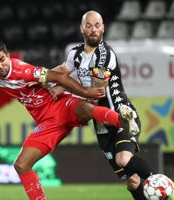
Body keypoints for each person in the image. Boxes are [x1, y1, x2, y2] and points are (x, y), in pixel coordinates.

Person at [0, 40, 138, 200]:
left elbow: (60, 77)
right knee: (21, 165)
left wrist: (86, 91)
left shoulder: (24, 71)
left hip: (61, 105)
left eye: (2, 60)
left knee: (85, 107)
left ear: (8, 56)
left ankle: (123, 121)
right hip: (48, 123)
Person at [50, 10, 156, 200]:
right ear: (82, 29)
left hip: (121, 116)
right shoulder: (75, 54)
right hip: (101, 126)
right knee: (131, 181)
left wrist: (62, 88)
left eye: (97, 25)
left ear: (103, 28)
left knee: (122, 159)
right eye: (89, 25)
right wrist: (39, 77)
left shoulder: (105, 55)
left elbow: (96, 95)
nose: (93, 30)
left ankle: (165, 185)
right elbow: (61, 71)